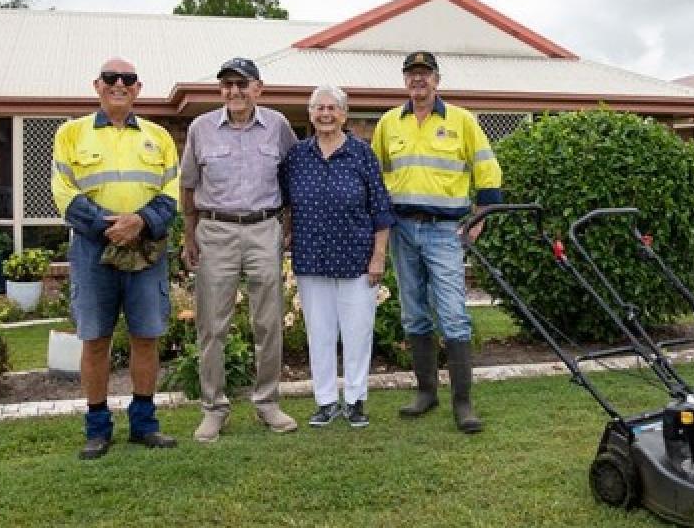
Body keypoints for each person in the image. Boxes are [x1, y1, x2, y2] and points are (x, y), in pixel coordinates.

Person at [51, 57, 179, 459]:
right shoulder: (71, 134)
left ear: (138, 88)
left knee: (146, 336)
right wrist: (109, 227)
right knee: (95, 340)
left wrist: (140, 221)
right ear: (97, 85)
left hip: (147, 248)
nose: (118, 84)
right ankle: (97, 429)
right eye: (110, 78)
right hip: (93, 250)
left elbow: (172, 192)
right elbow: (63, 191)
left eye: (127, 79)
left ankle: (144, 425)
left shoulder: (159, 136)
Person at [371, 51, 503, 434]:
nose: (418, 80)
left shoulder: (462, 121)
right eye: (412, 74)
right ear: (404, 81)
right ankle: (426, 393)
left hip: (445, 231)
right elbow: (375, 175)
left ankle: (463, 404)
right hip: (402, 230)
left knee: (453, 314)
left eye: (425, 74)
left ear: (437, 80)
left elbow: (487, 169)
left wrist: (480, 218)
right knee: (413, 312)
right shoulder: (389, 123)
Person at [180, 57, 299, 442]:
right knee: (212, 325)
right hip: (215, 230)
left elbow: (293, 177)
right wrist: (189, 237)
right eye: (227, 85)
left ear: (258, 89)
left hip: (265, 228)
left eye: (242, 84)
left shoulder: (278, 126)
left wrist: (289, 228)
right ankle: (214, 409)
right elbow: (187, 188)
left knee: (268, 322)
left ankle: (268, 404)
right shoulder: (201, 128)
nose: (234, 91)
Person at [280, 85, 394, 428]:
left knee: (358, 332)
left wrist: (378, 256)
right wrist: (286, 234)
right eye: (319, 108)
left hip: (357, 259)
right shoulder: (298, 156)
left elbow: (381, 209)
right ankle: (326, 401)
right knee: (320, 332)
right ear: (311, 114)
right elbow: (286, 202)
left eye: (332, 108)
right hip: (311, 258)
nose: (325, 114)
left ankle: (356, 400)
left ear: (344, 114)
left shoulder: (362, 154)